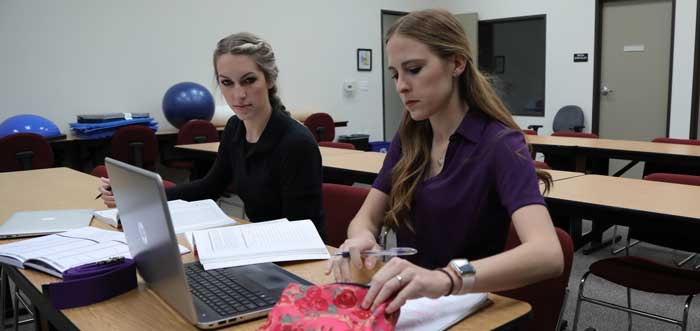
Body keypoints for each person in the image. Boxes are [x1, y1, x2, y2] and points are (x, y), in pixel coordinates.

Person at [327, 9, 562, 314]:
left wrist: (446, 279)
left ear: (457, 63)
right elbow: (365, 218)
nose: (401, 86)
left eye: (414, 69)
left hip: (464, 306)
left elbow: (548, 254)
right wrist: (362, 238)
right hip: (409, 302)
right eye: (395, 74)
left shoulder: (500, 145)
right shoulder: (411, 135)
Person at [99, 32, 326, 239]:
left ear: (269, 79)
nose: (238, 94)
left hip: (300, 258)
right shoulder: (235, 128)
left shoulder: (295, 143)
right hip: (263, 244)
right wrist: (141, 197)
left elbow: (301, 229)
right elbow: (210, 185)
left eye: (249, 80)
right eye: (227, 83)